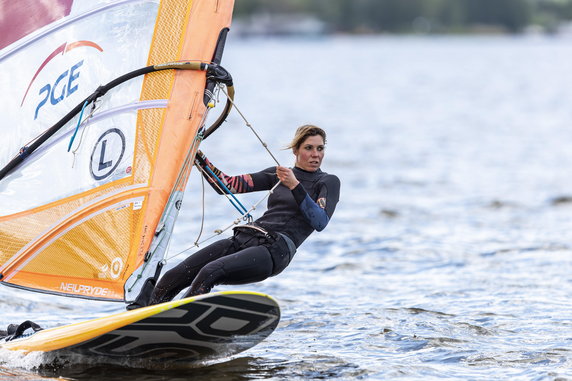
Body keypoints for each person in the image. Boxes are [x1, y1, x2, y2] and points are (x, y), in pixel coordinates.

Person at [131, 124, 340, 308]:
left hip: (275, 251)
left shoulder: (327, 182)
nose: (315, 154)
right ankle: (138, 320)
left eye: (320, 148)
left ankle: (176, 320)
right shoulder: (277, 174)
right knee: (173, 276)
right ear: (296, 150)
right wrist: (199, 157)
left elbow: (319, 221)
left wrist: (295, 185)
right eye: (309, 148)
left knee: (209, 272)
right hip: (245, 238)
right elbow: (227, 185)